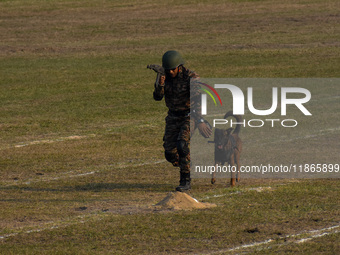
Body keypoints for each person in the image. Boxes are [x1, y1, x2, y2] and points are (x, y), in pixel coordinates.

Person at [153, 50, 212, 192]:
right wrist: (160, 85)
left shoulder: (191, 77)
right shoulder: (163, 76)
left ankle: (185, 180)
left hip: (189, 115)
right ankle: (189, 166)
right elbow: (157, 97)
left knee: (182, 144)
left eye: (173, 70)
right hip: (173, 116)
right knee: (170, 153)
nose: (171, 72)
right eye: (168, 70)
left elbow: (198, 101)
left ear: (179, 67)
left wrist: (200, 121)